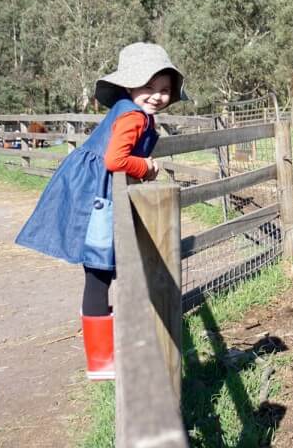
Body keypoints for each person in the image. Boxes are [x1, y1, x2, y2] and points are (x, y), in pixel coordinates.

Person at [15, 43, 188, 380]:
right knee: (99, 272)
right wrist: (146, 167)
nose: (156, 96)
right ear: (129, 86)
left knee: (102, 273)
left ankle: (109, 351)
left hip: (98, 192)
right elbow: (115, 160)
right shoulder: (133, 116)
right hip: (98, 199)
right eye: (148, 87)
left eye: (164, 90)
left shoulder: (131, 112)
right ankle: (102, 362)